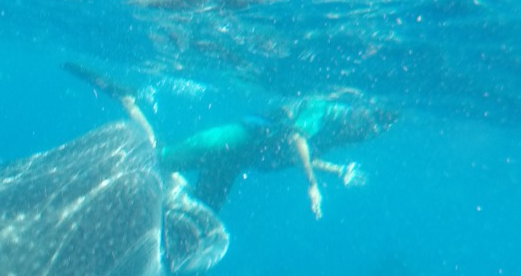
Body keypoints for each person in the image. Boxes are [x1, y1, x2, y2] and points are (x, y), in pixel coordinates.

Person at [64, 63, 397, 217]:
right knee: (154, 157)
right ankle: (129, 102)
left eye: (381, 128)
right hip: (232, 141)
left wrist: (335, 172)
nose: (372, 131)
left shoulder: (334, 134)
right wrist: (312, 185)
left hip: (237, 160)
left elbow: (301, 153)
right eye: (375, 122)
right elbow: (297, 139)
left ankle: (168, 185)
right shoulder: (324, 109)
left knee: (199, 211)